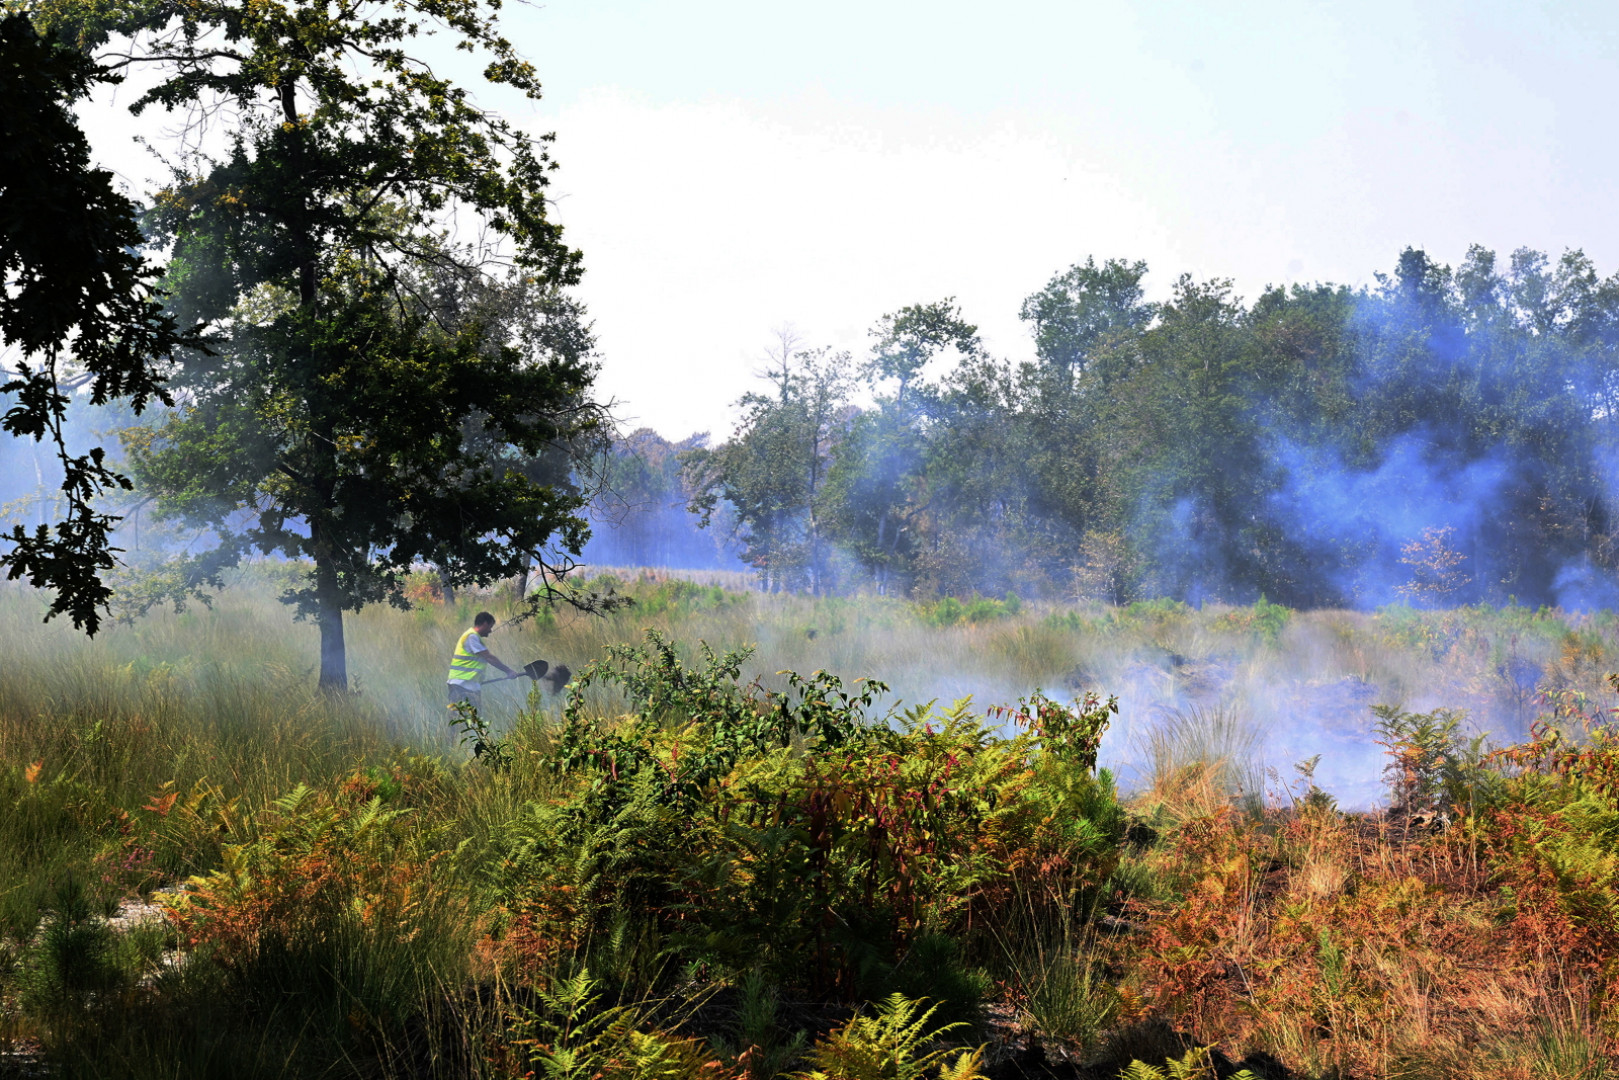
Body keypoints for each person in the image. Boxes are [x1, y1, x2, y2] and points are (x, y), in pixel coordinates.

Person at [446, 611, 519, 710]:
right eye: (490, 626)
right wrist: (508, 671)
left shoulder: (472, 636)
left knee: (463, 720)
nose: (490, 630)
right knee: (471, 721)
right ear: (484, 624)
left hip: (464, 685)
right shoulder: (472, 637)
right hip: (463, 686)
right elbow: (489, 657)